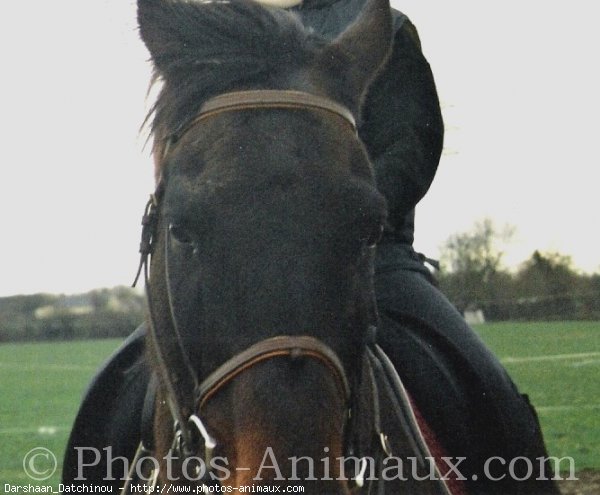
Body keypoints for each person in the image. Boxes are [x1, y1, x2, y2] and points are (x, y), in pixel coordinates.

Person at [64, 0, 560, 493]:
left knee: (490, 396)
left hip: (362, 253)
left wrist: (326, 218)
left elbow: (414, 141)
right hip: (229, 264)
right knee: (106, 405)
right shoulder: (210, 40)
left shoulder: (381, 26)